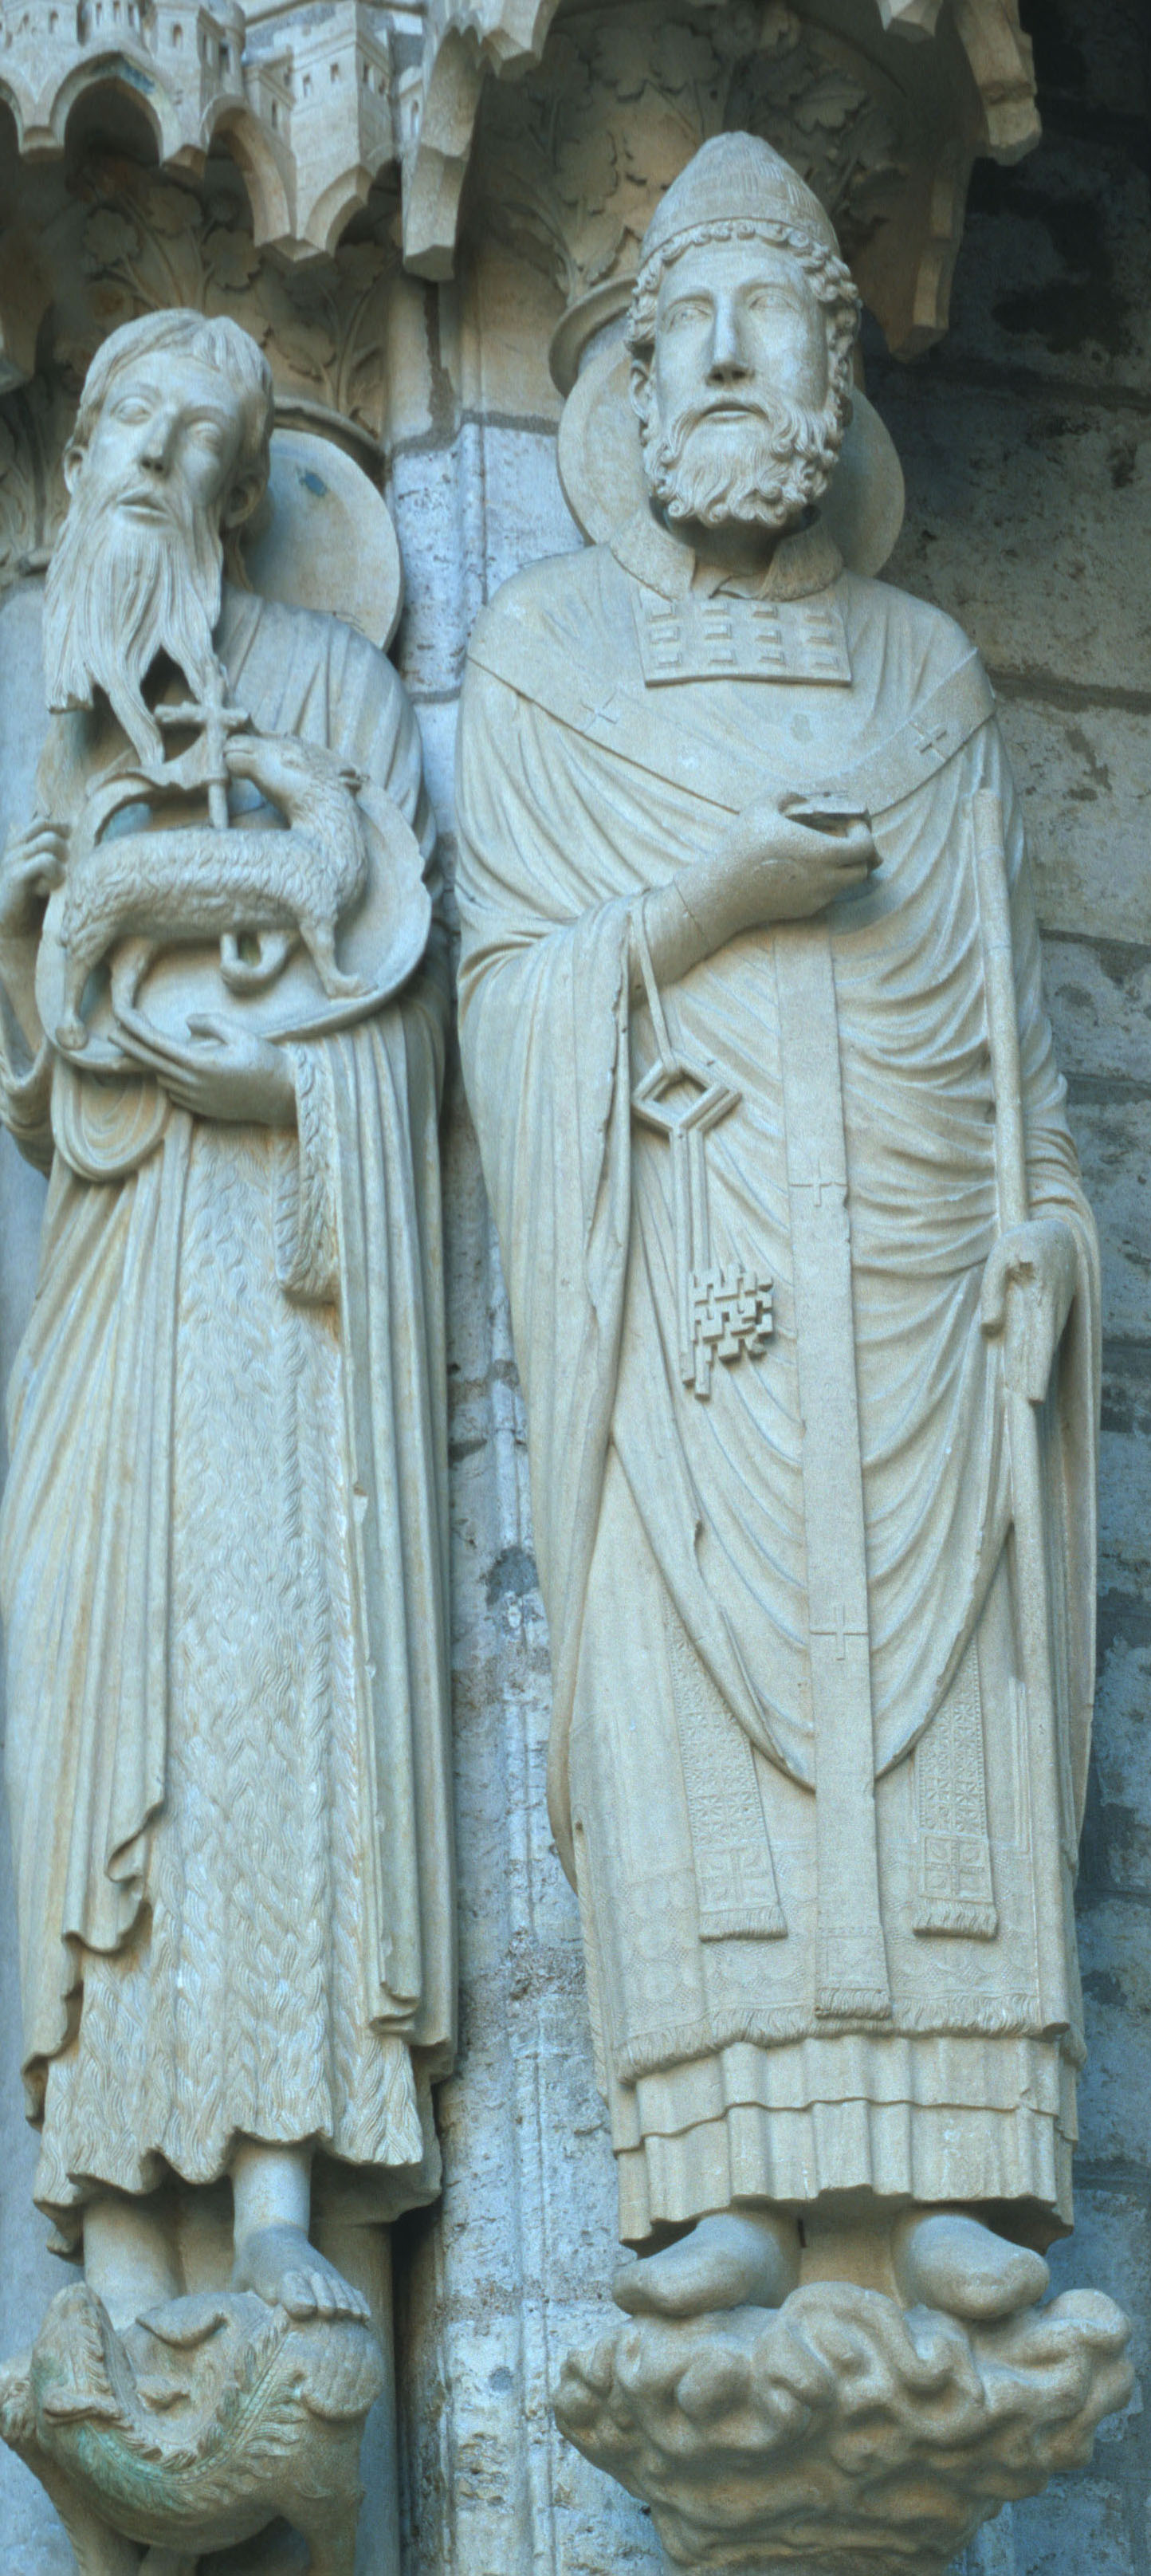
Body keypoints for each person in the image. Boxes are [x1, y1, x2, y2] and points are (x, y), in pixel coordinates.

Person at [456, 136, 1099, 2321]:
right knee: (683, 1680)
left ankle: (951, 2176)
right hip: (684, 1283)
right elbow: (504, 1006)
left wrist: (1047, 1236)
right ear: (630, 389)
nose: (730, 360)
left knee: (947, 1695)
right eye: (687, 329)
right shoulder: (547, 661)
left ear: (838, 370)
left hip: (918, 1296)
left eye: (776, 322)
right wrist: (713, 901)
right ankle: (722, 2167)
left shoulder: (925, 679)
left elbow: (1013, 1046)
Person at [0, 310, 454, 2338]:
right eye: (116, 423)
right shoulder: (61, 728)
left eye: (185, 433)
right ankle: (111, 2220)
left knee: (270, 1701)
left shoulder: (334, 687)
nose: (137, 458)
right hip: (113, 1275)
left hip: (281, 1278)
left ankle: (279, 2197)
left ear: (245, 489)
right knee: (95, 1694)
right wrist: (56, 933)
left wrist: (281, 1073)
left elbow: (396, 975)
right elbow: (47, 1049)